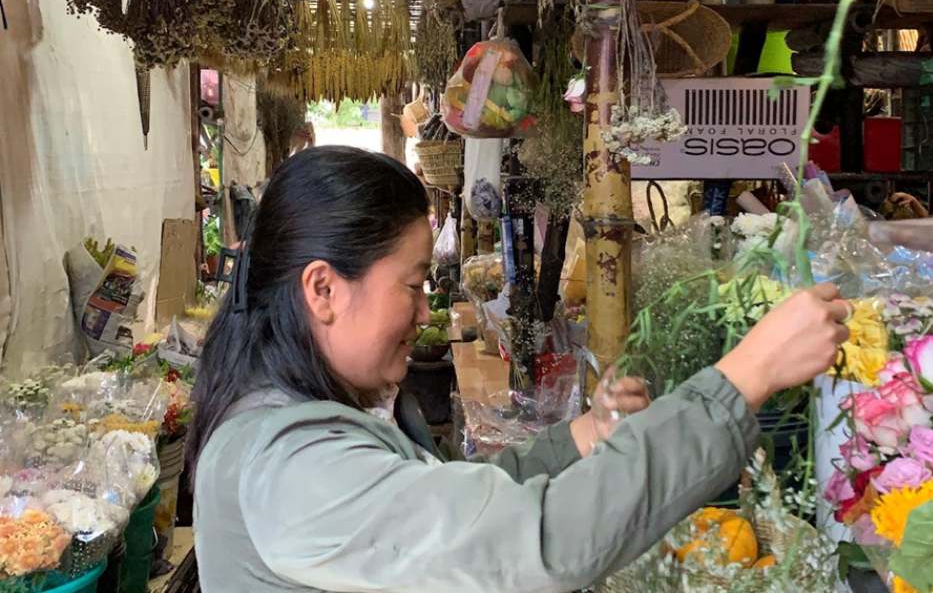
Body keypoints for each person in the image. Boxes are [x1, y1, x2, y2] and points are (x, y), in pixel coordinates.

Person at [188, 146, 852, 593]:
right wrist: (743, 378)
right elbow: (535, 541)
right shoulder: (291, 468)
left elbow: (450, 503)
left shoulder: (284, 422)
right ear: (323, 290)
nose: (425, 313)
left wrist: (581, 439)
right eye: (414, 285)